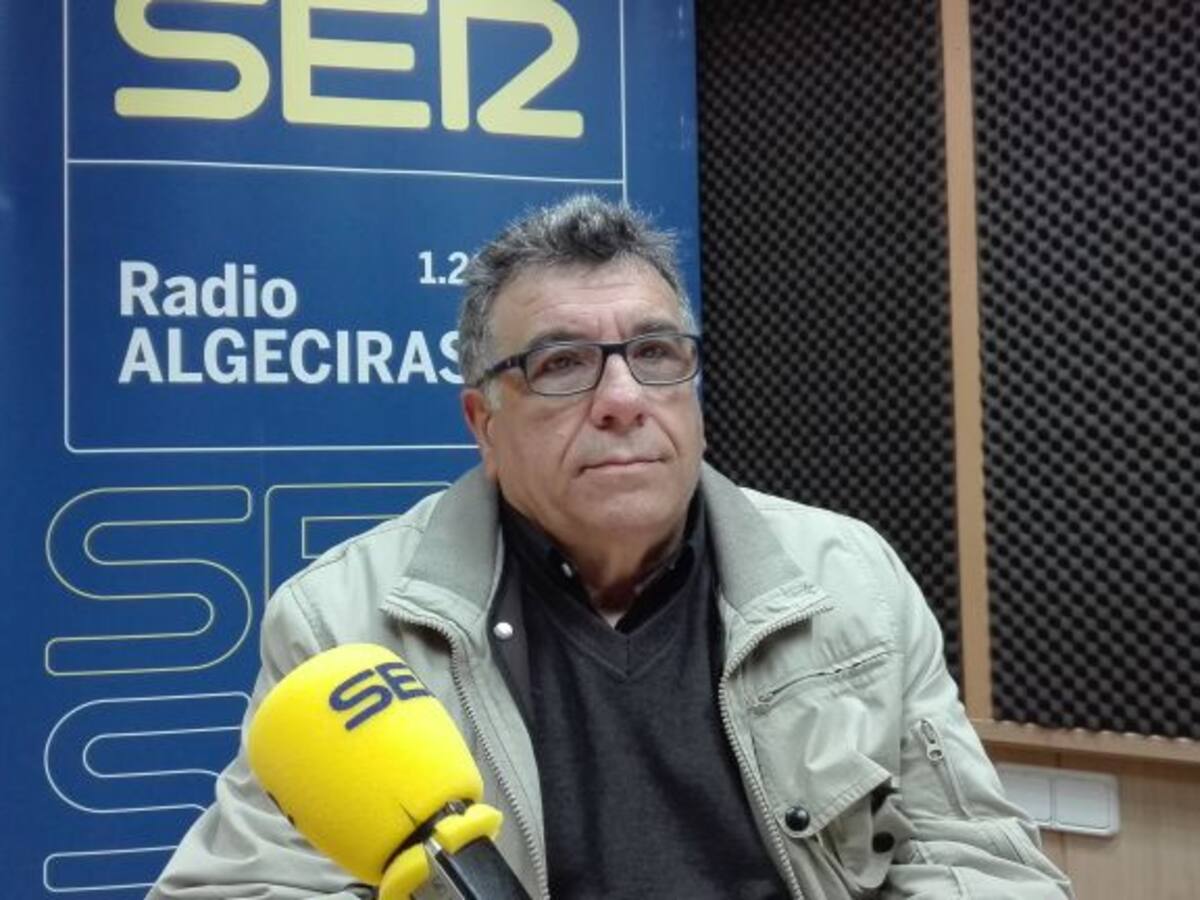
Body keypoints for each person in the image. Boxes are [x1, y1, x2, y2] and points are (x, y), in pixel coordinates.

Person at [151, 195, 1073, 899]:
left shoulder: (850, 578)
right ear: (483, 422)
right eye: (561, 364)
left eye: (657, 353)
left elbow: (980, 861)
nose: (624, 398)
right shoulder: (344, 624)